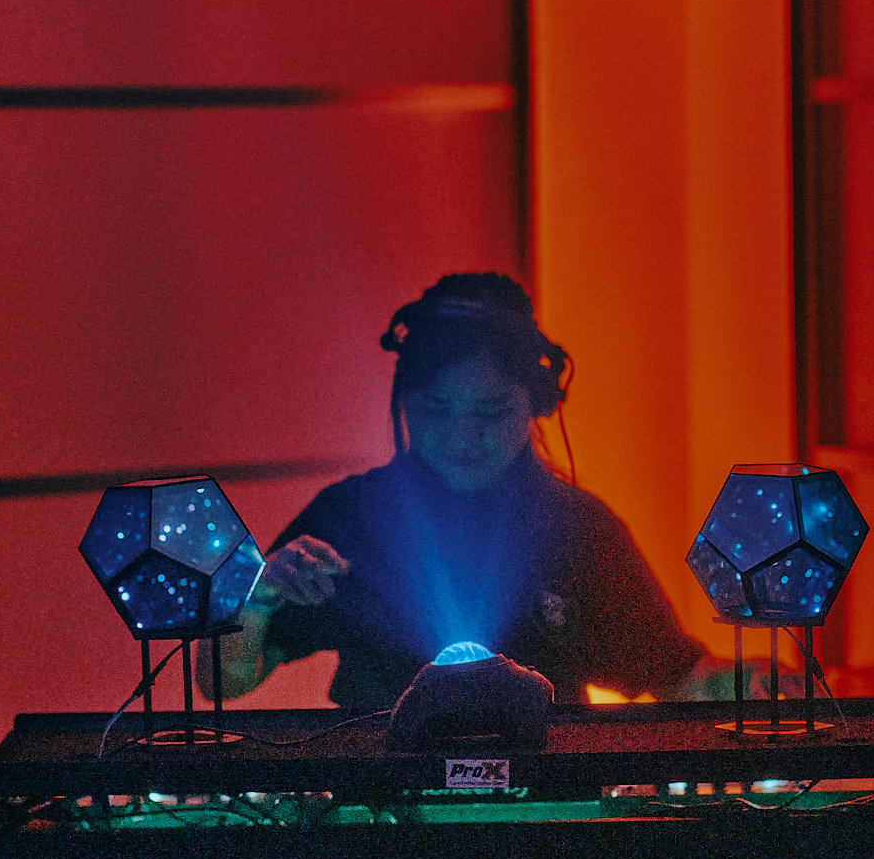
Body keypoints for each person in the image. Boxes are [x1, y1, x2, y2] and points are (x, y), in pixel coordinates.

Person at [197, 272, 721, 708]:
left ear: (537, 404)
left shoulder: (579, 528)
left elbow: (674, 675)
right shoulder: (350, 516)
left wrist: (739, 682)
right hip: (386, 797)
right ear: (405, 401)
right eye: (436, 409)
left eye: (491, 411)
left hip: (549, 798)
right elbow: (222, 682)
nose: (462, 435)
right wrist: (258, 598)